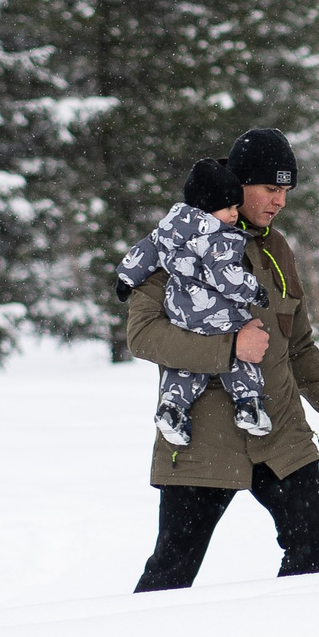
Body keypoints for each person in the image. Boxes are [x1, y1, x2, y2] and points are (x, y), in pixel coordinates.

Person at [127, 129, 319, 591]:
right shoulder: (179, 244)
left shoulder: (277, 249)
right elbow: (142, 335)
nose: (280, 201)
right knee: (172, 571)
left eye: (286, 191)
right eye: (270, 189)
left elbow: (299, 348)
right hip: (202, 437)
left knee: (314, 542)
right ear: (238, 184)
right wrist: (228, 349)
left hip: (279, 432)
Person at [113, 159, 271, 447]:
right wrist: (253, 290)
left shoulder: (168, 228)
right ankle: (249, 405)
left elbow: (146, 251)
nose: (235, 215)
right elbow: (226, 277)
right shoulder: (217, 238)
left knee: (185, 367)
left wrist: (126, 277)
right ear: (207, 206)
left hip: (181, 311)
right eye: (230, 208)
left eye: (237, 207)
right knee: (239, 353)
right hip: (217, 312)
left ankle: (172, 407)